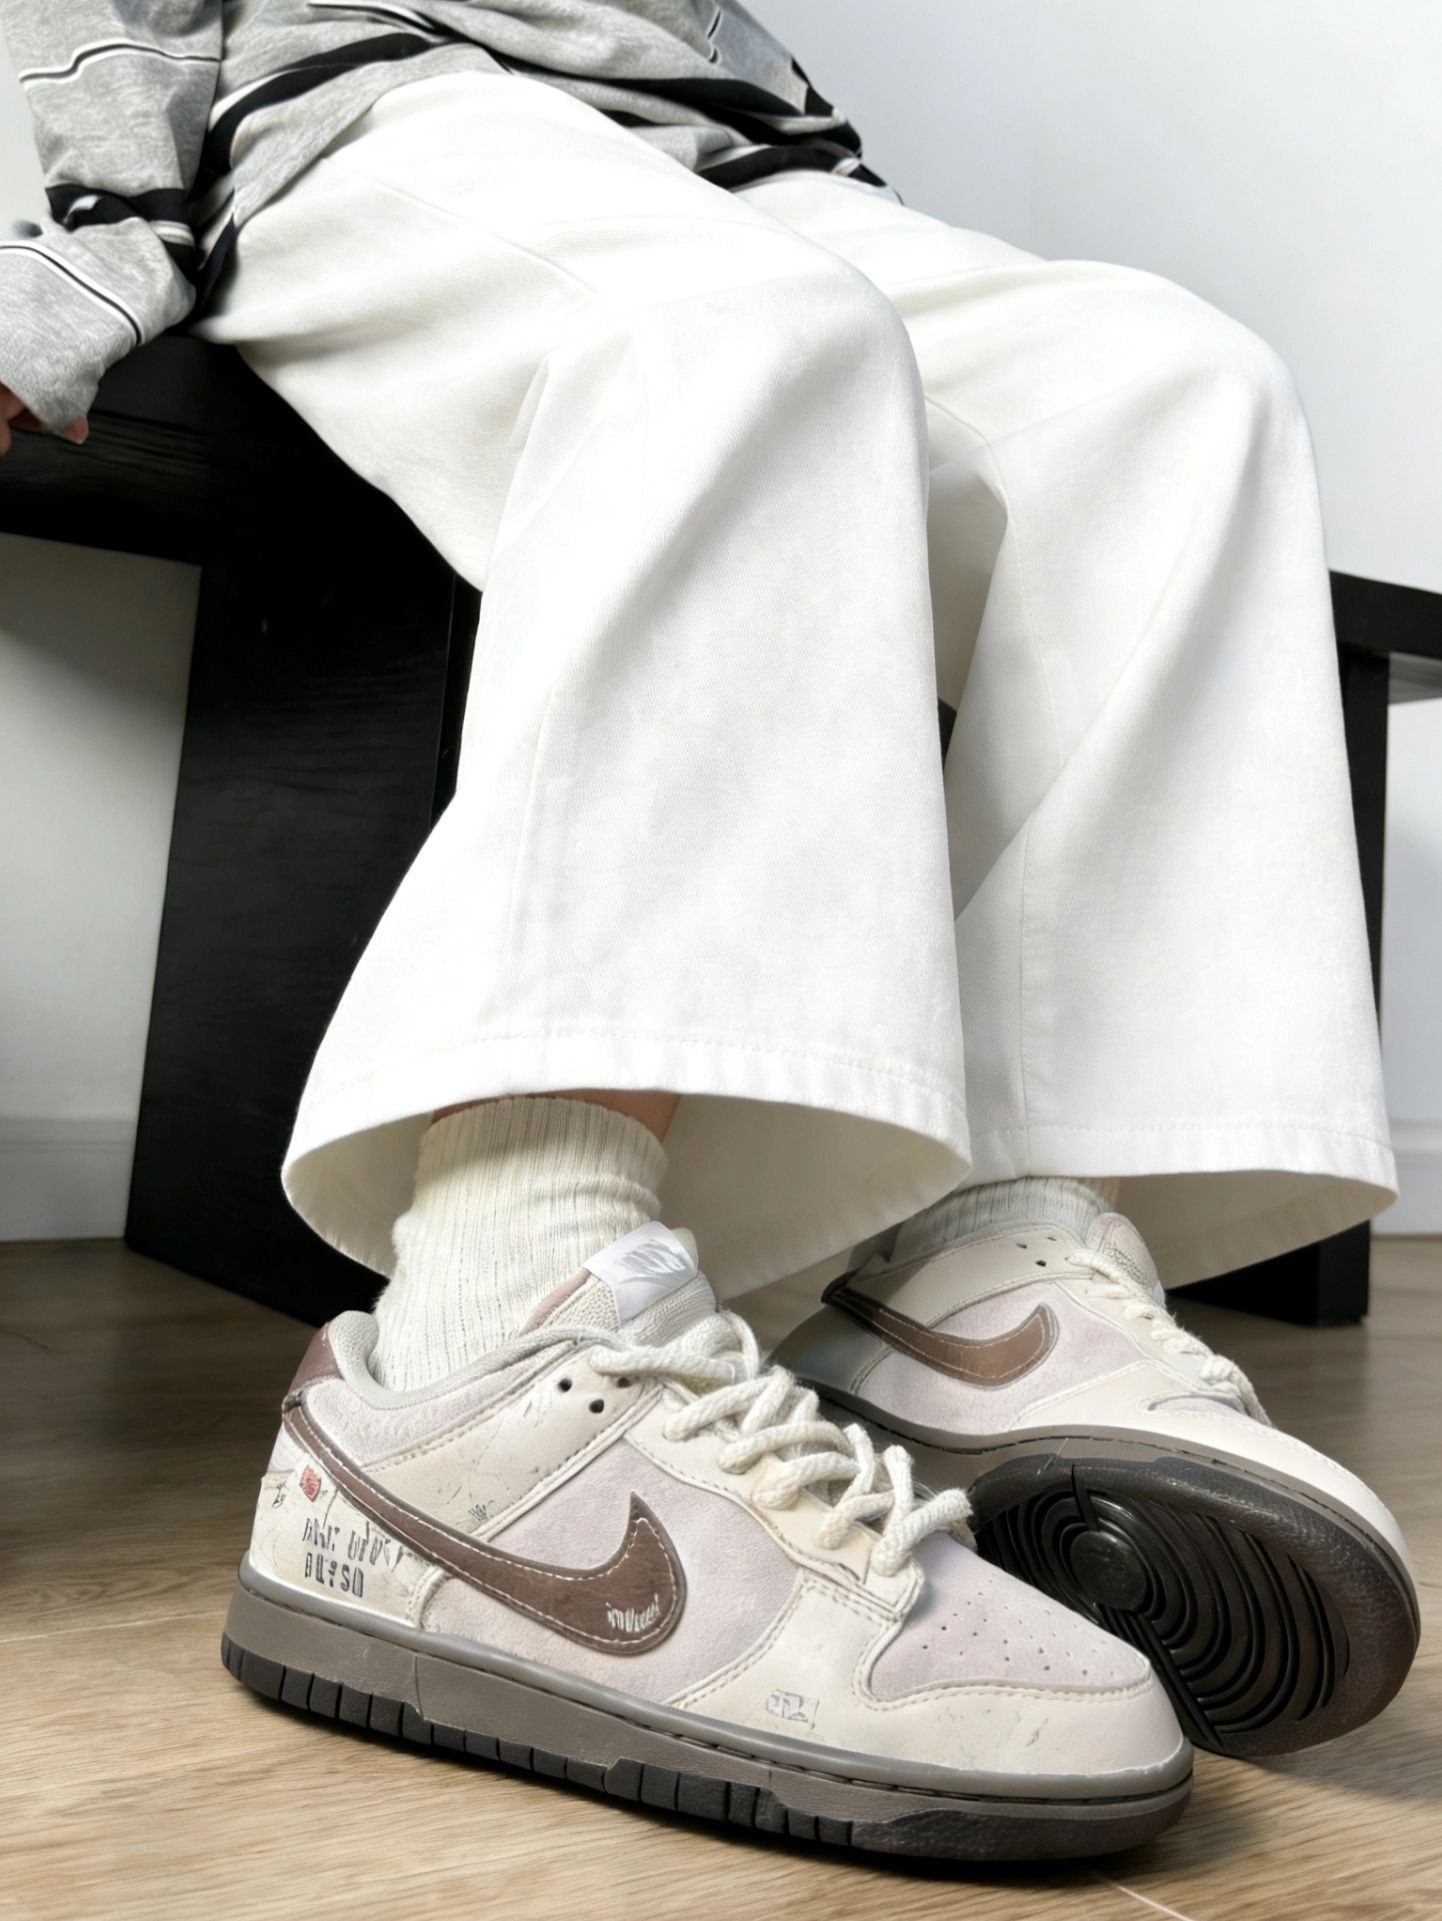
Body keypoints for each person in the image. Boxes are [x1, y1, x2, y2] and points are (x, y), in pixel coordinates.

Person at [1, 1, 1418, 1864]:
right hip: (352, 93)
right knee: (742, 335)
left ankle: (974, 1261)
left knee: (1174, 391)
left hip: (716, 143)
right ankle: (494, 1349)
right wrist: (61, 247)